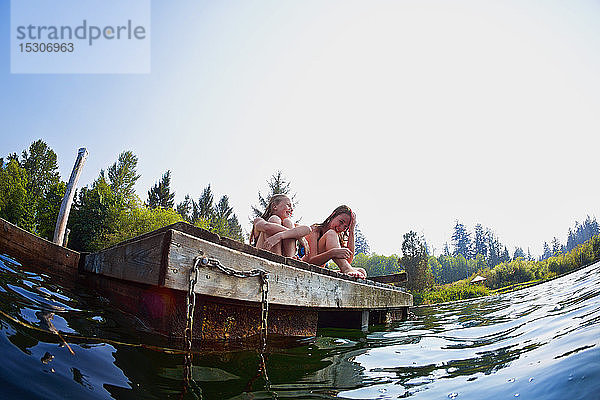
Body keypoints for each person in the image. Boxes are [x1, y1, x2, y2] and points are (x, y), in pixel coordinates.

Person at [302, 205, 367, 279]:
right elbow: (311, 261)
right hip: (305, 266)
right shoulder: (315, 230)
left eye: (345, 227)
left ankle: (347, 269)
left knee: (361, 271)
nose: (341, 227)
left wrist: (351, 230)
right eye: (341, 222)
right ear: (333, 215)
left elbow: (348, 260)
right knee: (331, 233)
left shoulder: (337, 237)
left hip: (321, 270)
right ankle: (346, 269)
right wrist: (332, 253)